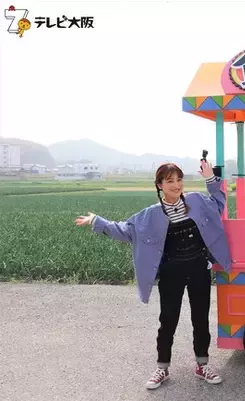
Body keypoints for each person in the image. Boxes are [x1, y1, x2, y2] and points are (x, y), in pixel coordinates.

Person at [75, 159, 231, 390]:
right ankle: (162, 368)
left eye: (179, 180)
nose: (176, 185)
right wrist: (97, 221)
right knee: (168, 320)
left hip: (199, 268)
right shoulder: (150, 215)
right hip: (171, 272)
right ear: (159, 185)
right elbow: (125, 231)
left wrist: (210, 179)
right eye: (170, 181)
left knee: (201, 319)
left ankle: (202, 365)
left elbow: (218, 204)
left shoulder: (197, 201)